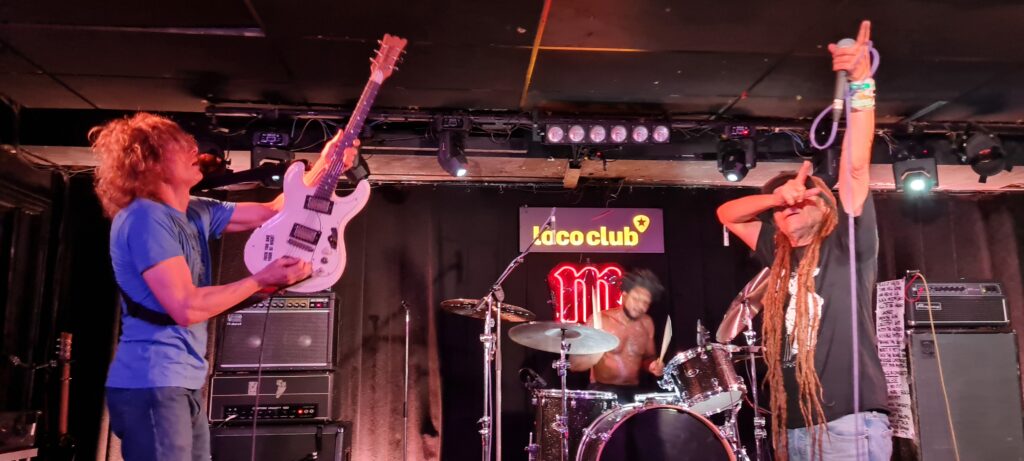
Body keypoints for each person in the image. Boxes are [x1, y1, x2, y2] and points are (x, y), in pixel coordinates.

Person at [89, 112, 357, 461]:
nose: (194, 148)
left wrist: (327, 164)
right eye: (180, 145)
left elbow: (277, 211)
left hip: (179, 382)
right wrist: (261, 280)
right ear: (149, 162)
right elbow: (186, 307)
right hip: (152, 383)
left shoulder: (194, 211)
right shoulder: (144, 219)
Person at [716, 21, 890, 461]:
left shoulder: (846, 245)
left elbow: (854, 166)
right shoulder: (777, 252)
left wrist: (861, 85)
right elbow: (726, 214)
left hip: (846, 426)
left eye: (804, 197)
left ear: (827, 207)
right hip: (793, 429)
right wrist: (777, 196)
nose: (792, 205)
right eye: (783, 207)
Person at [569, 269, 666, 402]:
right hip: (603, 391)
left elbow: (649, 357)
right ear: (624, 295)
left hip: (633, 392)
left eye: (645, 302)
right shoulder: (601, 320)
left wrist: (653, 365)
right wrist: (592, 356)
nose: (640, 306)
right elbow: (574, 365)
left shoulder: (647, 323)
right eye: (636, 299)